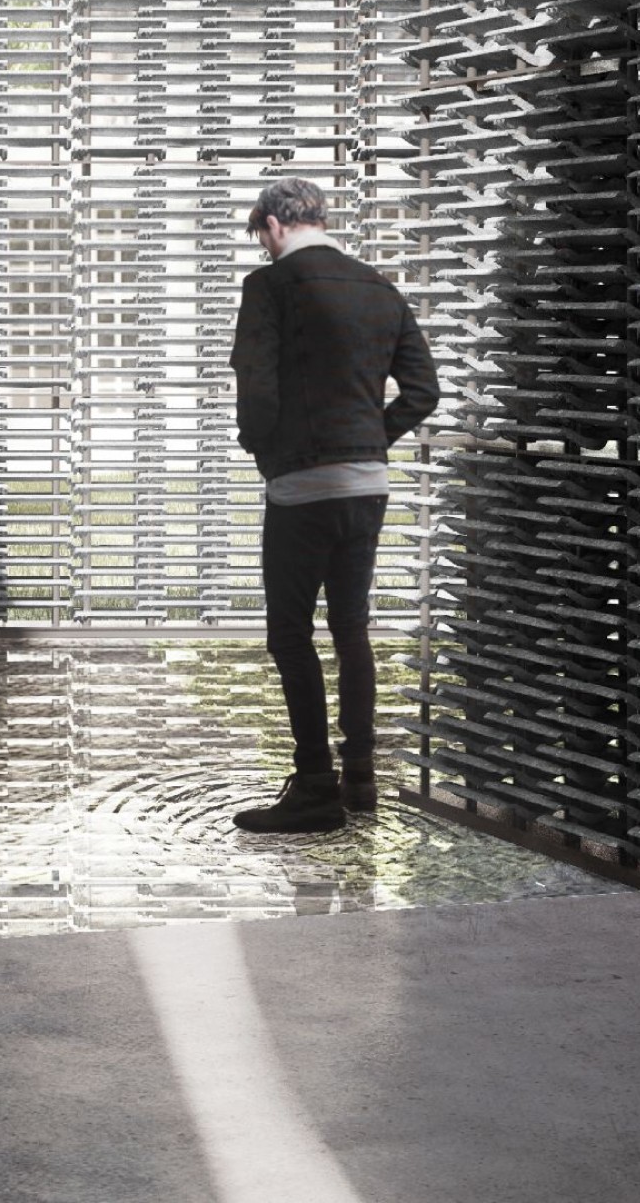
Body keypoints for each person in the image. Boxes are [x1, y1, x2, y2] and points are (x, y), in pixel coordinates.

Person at [228, 177, 439, 833]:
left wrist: (266, 450)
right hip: (367, 485)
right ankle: (361, 780)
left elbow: (256, 387)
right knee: (351, 628)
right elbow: (423, 390)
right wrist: (372, 437)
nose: (261, 248)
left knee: (291, 632)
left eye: (260, 236)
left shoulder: (268, 287)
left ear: (273, 225)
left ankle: (315, 786)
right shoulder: (379, 286)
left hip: (301, 486)